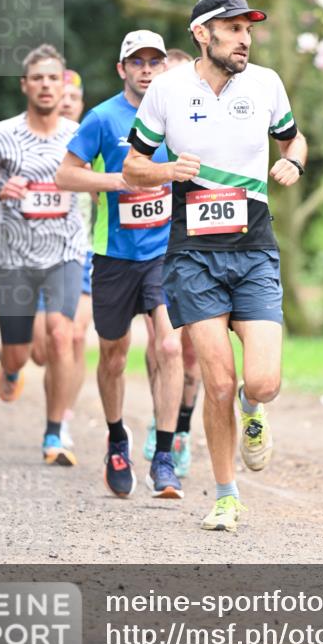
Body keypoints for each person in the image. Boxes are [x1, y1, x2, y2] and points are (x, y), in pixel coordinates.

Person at [124, 0, 307, 531]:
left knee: (262, 382)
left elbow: (294, 141)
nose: (244, 38)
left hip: (253, 250)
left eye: (248, 30)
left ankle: (256, 413)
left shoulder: (267, 84)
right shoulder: (167, 90)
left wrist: (293, 164)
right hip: (193, 255)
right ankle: (226, 495)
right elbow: (134, 166)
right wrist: (168, 172)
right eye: (231, 29)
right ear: (202, 34)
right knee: (218, 382)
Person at [55, 30, 184, 499]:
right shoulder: (102, 117)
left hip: (166, 253)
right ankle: (116, 438)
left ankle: (165, 455)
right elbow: (65, 174)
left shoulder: (180, 116)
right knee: (113, 354)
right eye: (137, 62)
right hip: (114, 256)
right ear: (122, 69)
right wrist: (118, 181)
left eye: (154, 61)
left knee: (169, 349)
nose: (146, 69)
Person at [0, 45, 86, 465]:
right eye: (38, 78)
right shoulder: (2, 133)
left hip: (65, 253)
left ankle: (54, 435)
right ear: (25, 85)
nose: (46, 85)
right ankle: (9, 366)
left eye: (54, 78)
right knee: (19, 352)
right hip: (15, 259)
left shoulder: (79, 135)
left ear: (62, 83)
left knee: (61, 336)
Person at [141, 45, 202, 477]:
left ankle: (182, 430)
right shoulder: (149, 128)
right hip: (155, 252)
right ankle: (161, 420)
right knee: (164, 344)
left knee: (194, 355)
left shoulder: (210, 127)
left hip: (201, 248)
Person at [31, 69, 93, 449]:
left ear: (81, 103)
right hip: (39, 254)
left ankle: (61, 420)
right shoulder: (36, 140)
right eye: (62, 95)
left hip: (84, 252)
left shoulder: (94, 138)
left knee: (73, 335)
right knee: (41, 351)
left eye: (74, 96)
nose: (67, 101)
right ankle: (52, 405)